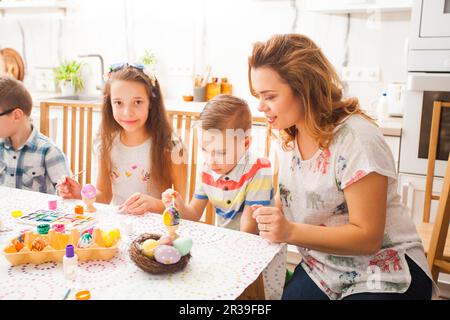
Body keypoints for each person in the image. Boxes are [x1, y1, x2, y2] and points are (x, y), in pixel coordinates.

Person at [248, 34, 434, 300]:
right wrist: (262, 217)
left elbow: (368, 237)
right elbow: (291, 195)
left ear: (304, 88)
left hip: (385, 271)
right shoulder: (290, 135)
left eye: (270, 96)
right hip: (324, 269)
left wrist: (289, 231)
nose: (260, 106)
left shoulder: (357, 140)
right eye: (258, 96)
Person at [57, 63, 186, 214]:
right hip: (118, 228)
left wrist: (153, 204)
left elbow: (183, 211)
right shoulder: (107, 144)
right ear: (109, 104)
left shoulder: (171, 148)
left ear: (151, 102)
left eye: (137, 102)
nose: (127, 112)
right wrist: (81, 194)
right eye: (118, 103)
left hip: (157, 231)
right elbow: (104, 196)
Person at [162, 94, 273, 233]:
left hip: (255, 245)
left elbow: (248, 229)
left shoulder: (258, 169)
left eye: (221, 153)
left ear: (245, 143)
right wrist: (179, 206)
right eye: (204, 149)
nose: (210, 160)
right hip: (227, 240)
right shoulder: (207, 169)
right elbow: (194, 214)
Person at [0, 75, 70, 194]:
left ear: (16, 115)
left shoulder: (49, 152)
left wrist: (66, 191)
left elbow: (68, 197)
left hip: (36, 212)